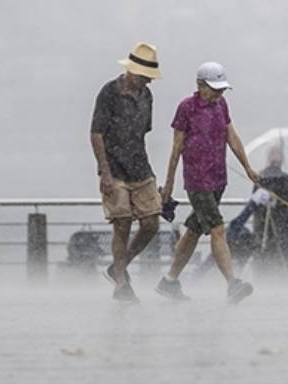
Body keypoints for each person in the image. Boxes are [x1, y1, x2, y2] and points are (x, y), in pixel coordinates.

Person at [156, 62, 260, 303]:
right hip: (197, 180)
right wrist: (169, 184)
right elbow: (176, 149)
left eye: (222, 89)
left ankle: (169, 281)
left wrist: (247, 167)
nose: (218, 94)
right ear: (200, 85)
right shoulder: (186, 108)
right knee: (217, 228)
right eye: (214, 89)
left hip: (218, 179)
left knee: (193, 230)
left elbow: (231, 137)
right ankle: (233, 284)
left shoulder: (221, 104)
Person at [90, 42, 163, 302]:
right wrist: (105, 172)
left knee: (151, 222)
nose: (149, 82)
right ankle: (121, 283)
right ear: (132, 72)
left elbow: (142, 133)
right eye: (145, 77)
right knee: (121, 224)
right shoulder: (109, 92)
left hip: (141, 168)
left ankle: (119, 266)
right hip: (115, 170)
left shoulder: (146, 96)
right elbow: (96, 133)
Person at [250, 144, 288, 278]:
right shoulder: (286, 179)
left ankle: (262, 277)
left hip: (262, 223)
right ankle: (281, 277)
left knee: (263, 251)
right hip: (283, 224)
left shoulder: (260, 177)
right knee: (282, 252)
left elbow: (254, 201)